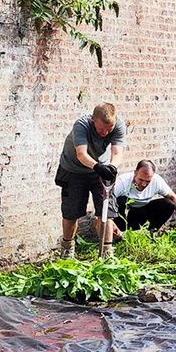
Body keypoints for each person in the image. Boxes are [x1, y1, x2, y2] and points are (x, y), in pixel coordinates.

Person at [56, 103, 126, 258]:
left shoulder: (119, 125)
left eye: (110, 129)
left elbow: (117, 152)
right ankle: (67, 248)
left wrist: (112, 167)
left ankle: (106, 252)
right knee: (71, 212)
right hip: (73, 170)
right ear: (93, 119)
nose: (105, 133)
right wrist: (97, 167)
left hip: (99, 170)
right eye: (101, 129)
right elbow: (81, 154)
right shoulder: (81, 125)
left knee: (106, 211)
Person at [112, 160, 176, 233]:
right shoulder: (122, 182)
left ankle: (150, 232)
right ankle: (120, 233)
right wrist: (113, 228)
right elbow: (104, 204)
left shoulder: (157, 181)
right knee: (119, 201)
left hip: (143, 213)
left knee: (168, 204)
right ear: (135, 173)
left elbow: (173, 197)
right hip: (124, 215)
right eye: (141, 180)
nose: (143, 184)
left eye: (147, 181)